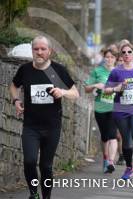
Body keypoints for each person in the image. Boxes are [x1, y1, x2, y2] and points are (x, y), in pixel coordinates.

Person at [9, 36, 79, 199]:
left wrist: (62, 92)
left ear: (50, 51)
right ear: (32, 50)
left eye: (43, 49)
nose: (39, 52)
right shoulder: (25, 70)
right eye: (36, 49)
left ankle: (46, 196)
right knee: (29, 162)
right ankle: (34, 193)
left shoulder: (58, 71)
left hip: (52, 127)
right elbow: (13, 85)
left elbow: (75, 93)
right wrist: (16, 100)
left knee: (46, 166)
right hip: (31, 126)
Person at [104, 43, 133, 180]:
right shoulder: (116, 71)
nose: (126, 54)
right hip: (121, 110)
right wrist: (116, 89)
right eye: (123, 52)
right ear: (120, 55)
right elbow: (106, 90)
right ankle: (129, 168)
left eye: (129, 52)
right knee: (126, 140)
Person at [84, 48, 118, 173]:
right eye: (107, 57)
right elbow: (86, 89)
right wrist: (94, 85)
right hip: (100, 107)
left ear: (116, 59)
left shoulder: (119, 72)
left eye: (112, 57)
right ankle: (105, 158)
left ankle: (111, 162)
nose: (109, 60)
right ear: (104, 58)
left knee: (113, 135)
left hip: (115, 108)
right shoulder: (97, 71)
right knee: (105, 136)